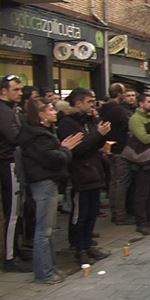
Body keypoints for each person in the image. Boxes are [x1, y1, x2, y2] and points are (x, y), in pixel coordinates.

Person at [17, 99, 83, 283]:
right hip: (44, 184)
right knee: (44, 231)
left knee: (47, 230)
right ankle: (44, 272)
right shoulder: (38, 136)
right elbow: (53, 159)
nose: (55, 112)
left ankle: (50, 268)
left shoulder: (41, 133)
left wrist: (62, 149)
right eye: (50, 109)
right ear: (41, 115)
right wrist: (65, 150)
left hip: (46, 183)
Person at [57, 88, 112, 265]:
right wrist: (97, 134)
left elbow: (95, 144)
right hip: (80, 174)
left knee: (91, 213)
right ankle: (79, 248)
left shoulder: (88, 120)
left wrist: (101, 134)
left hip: (94, 171)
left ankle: (88, 245)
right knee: (80, 215)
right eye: (89, 101)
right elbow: (78, 149)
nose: (92, 105)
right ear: (78, 102)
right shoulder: (67, 123)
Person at [0, 74, 30, 272]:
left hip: (15, 162)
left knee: (17, 210)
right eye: (15, 90)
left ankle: (16, 249)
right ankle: (9, 256)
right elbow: (15, 137)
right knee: (11, 212)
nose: (19, 93)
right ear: (3, 91)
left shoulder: (12, 109)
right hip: (9, 163)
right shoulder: (4, 112)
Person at [99, 83, 134, 225]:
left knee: (114, 182)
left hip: (110, 148)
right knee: (120, 182)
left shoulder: (105, 109)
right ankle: (120, 215)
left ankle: (116, 211)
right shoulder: (117, 110)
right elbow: (128, 126)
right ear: (119, 94)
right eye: (125, 93)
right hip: (119, 148)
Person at [122, 94, 150, 235]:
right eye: (149, 101)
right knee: (141, 193)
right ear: (141, 103)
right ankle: (141, 222)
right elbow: (143, 138)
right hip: (141, 161)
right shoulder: (136, 119)